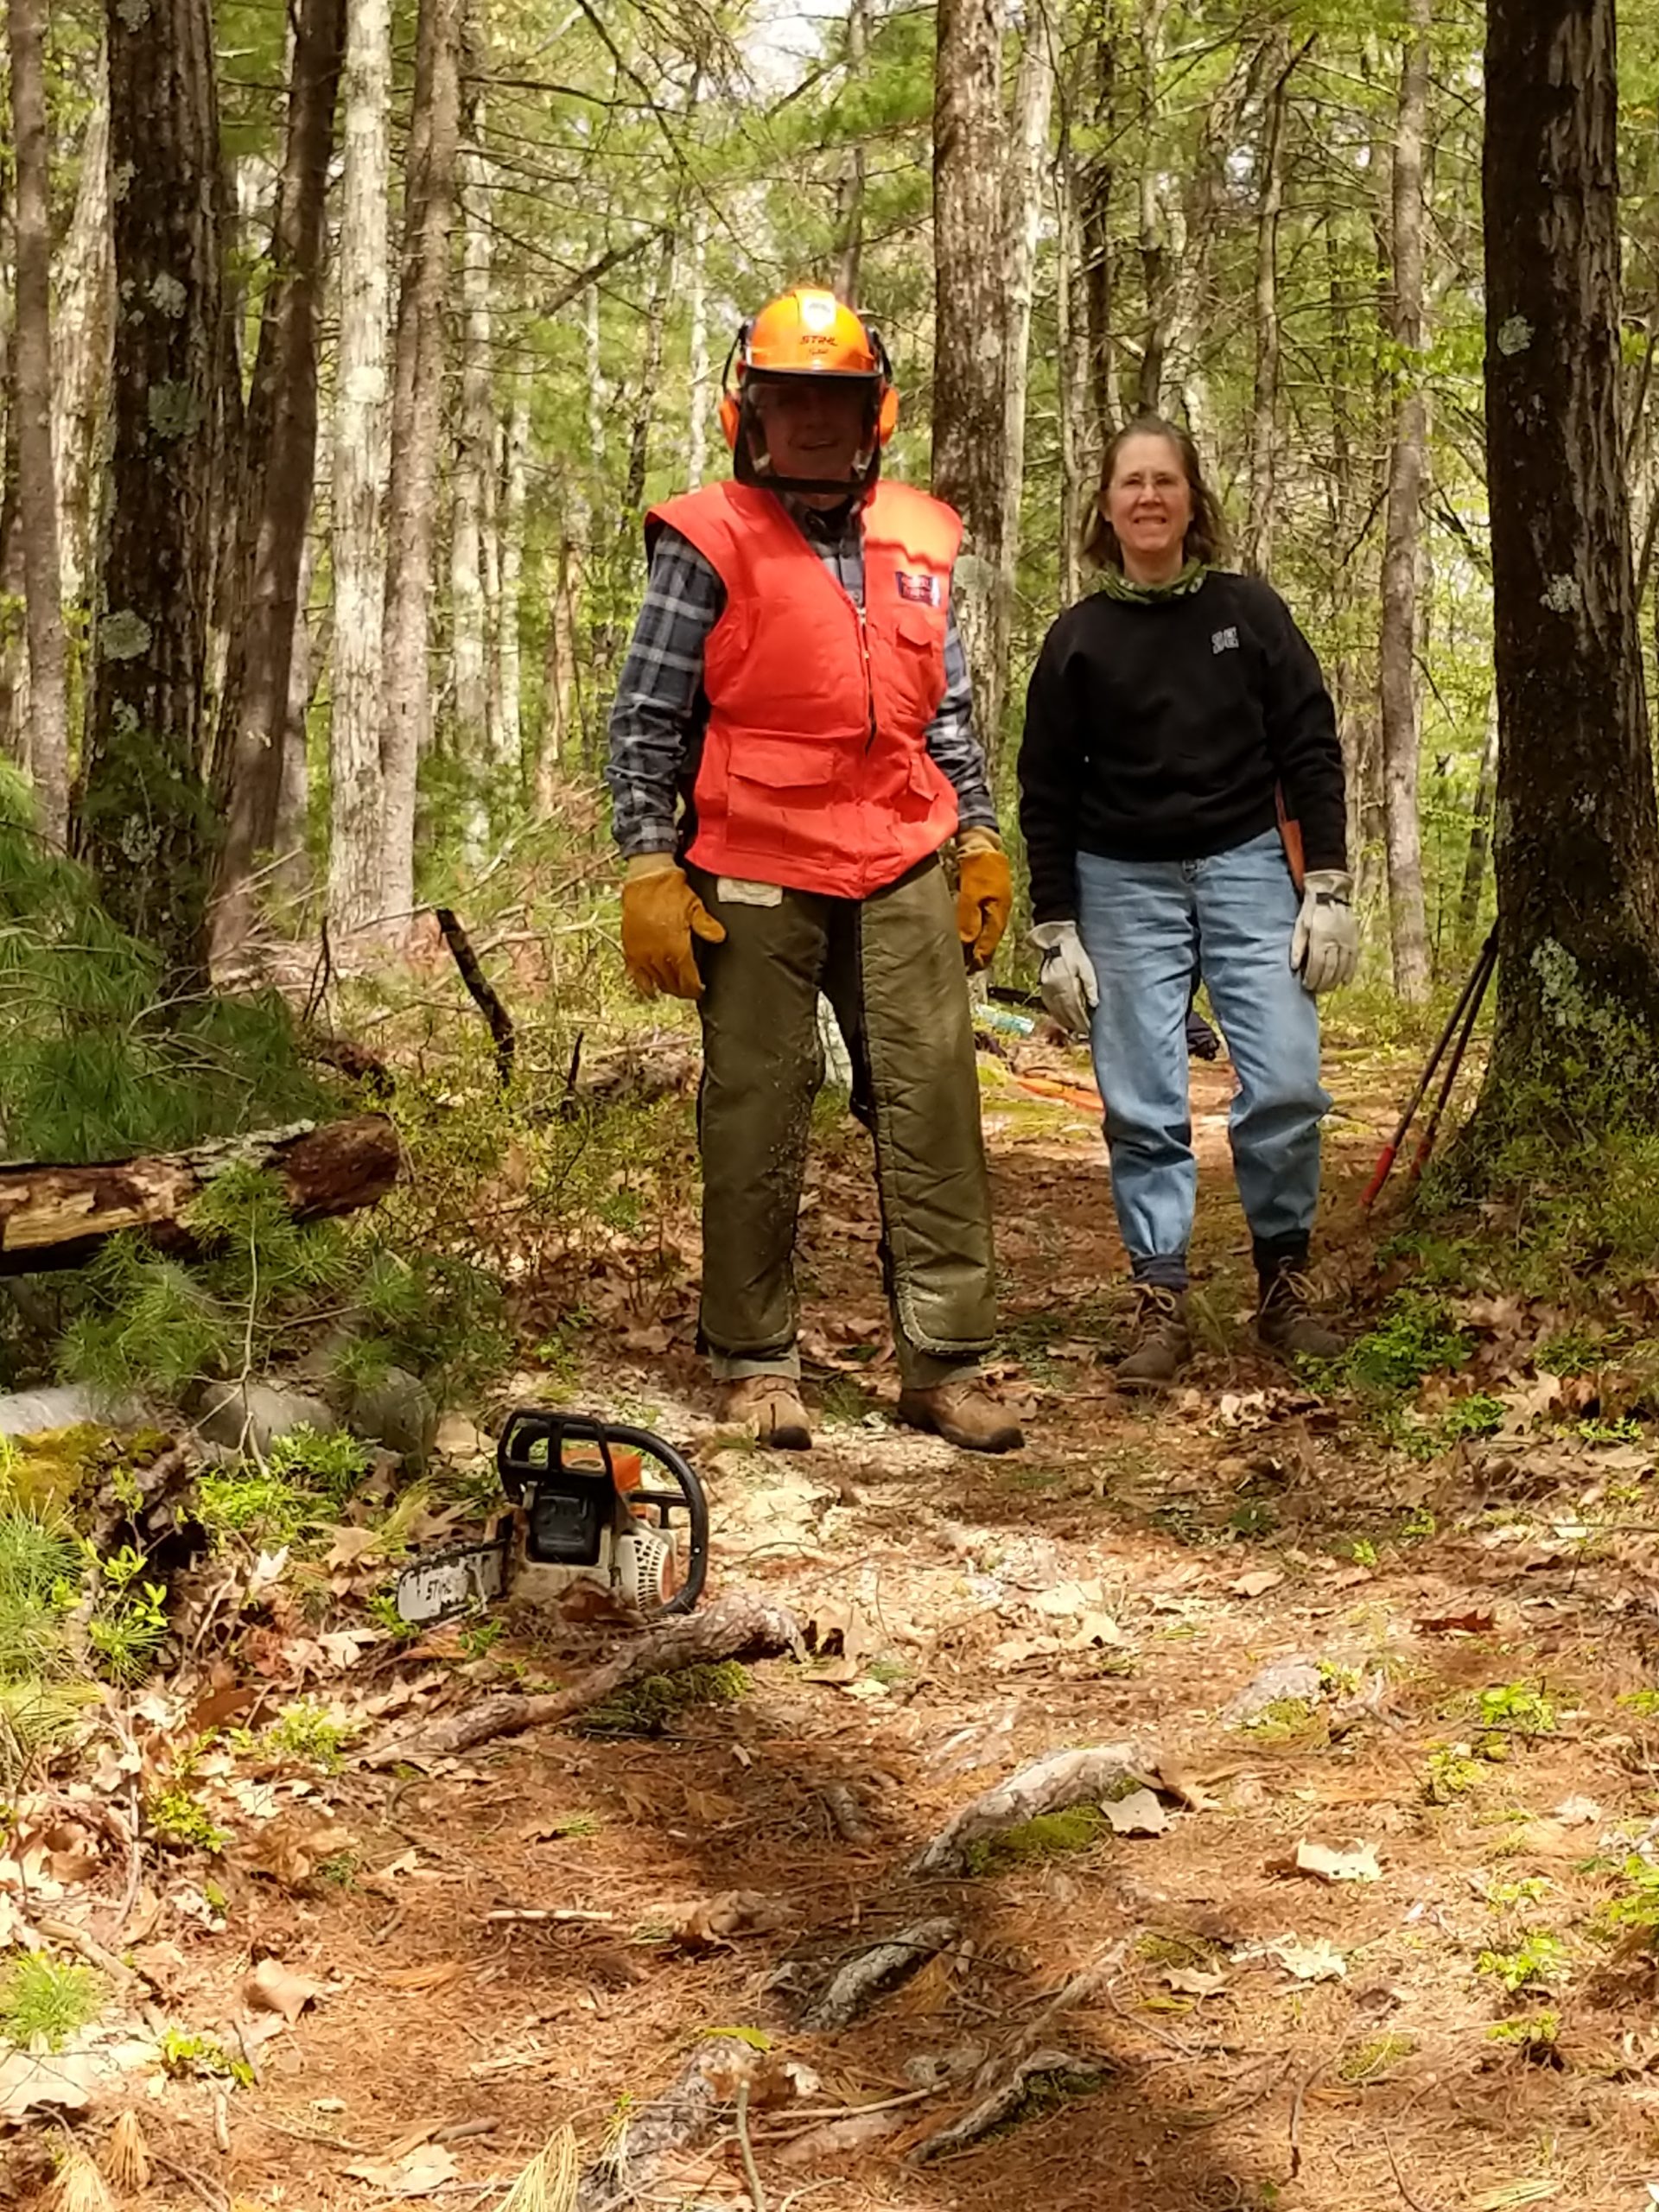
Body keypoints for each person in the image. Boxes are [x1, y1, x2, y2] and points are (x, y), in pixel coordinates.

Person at [605, 286, 1023, 1455]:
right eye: (789, 400)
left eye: (833, 400)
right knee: (755, 1105)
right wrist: (648, 862)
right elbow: (646, 715)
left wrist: (979, 834)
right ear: (752, 412)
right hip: (752, 860)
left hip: (900, 853)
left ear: (872, 412)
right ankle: (754, 1358)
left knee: (932, 1096)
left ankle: (945, 1359)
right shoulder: (708, 537)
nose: (812, 422)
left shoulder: (926, 538)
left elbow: (950, 710)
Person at [1017, 414, 1357, 1389]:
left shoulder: (1251, 613)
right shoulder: (1078, 639)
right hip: (1119, 878)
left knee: (1288, 1082)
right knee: (1143, 1103)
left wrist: (1325, 882)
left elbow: (1310, 742)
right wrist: (1056, 928)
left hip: (1248, 861)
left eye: (1167, 480)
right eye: (1132, 482)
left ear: (1193, 500)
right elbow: (1048, 788)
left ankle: (1283, 1283)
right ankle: (1159, 1298)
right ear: (1107, 507)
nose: (1150, 497)